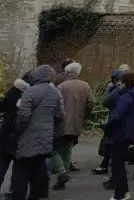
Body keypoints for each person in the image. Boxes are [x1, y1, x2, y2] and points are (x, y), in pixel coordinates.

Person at [11, 65, 65, 200]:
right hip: (45, 138)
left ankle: (18, 196)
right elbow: (60, 115)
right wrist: (49, 126)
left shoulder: (30, 92)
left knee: (20, 172)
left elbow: (23, 116)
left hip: (27, 138)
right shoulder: (55, 93)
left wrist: (17, 131)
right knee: (38, 170)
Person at [0, 73, 30, 199]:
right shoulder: (28, 98)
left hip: (6, 135)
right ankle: (13, 190)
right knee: (18, 167)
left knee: (1, 165)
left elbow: (1, 106)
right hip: (19, 138)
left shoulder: (11, 93)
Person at [52, 60, 92, 190]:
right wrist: (84, 114)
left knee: (52, 148)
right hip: (77, 122)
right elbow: (91, 103)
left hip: (61, 122)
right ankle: (63, 175)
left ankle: (61, 172)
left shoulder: (62, 87)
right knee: (67, 149)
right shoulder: (85, 86)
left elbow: (55, 104)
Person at [102, 70, 134, 200]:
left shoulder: (125, 97)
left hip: (120, 133)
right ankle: (122, 191)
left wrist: (107, 127)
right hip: (128, 132)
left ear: (123, 82)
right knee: (119, 163)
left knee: (117, 164)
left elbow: (117, 116)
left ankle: (121, 192)